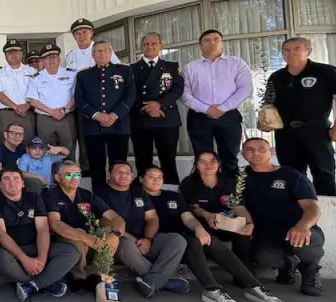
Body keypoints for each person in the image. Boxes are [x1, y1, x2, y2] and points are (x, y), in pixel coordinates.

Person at [143, 165, 286, 302]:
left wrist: (199, 229)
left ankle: (254, 286)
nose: (156, 180)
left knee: (211, 241)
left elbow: (187, 218)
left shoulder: (172, 196)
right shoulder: (138, 195)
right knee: (192, 243)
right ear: (141, 178)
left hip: (184, 234)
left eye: (159, 177)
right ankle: (212, 289)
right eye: (151, 177)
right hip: (163, 240)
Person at [241, 138, 326, 296]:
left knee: (306, 242)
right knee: (264, 259)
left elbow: (312, 207)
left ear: (271, 152)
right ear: (242, 153)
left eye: (261, 149)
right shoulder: (240, 177)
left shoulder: (291, 175)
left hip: (297, 229)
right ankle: (288, 265)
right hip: (266, 234)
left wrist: (303, 226)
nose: (256, 153)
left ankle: (310, 272)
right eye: (250, 149)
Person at [266, 36, 336, 196]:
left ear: (308, 51)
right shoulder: (276, 77)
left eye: (297, 49)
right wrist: (265, 122)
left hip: (316, 131)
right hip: (286, 133)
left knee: (323, 173)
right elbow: (269, 105)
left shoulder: (326, 71)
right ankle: (296, 210)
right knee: (291, 174)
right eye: (286, 50)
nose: (291, 53)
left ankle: (327, 211)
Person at [94, 161, 189, 298]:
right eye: (119, 172)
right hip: (120, 242)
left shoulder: (138, 192)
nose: (123, 175)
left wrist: (147, 239)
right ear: (109, 174)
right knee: (126, 245)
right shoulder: (100, 193)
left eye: (127, 173)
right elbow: (106, 224)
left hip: (144, 240)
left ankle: (152, 281)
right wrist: (135, 240)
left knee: (177, 240)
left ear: (132, 176)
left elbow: (152, 218)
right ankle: (163, 281)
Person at [0, 167, 79, 302]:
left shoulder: (34, 198)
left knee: (70, 251)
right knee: (1, 259)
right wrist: (25, 260)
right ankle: (45, 282)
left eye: (16, 179)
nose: (12, 182)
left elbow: (42, 229)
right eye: (6, 179)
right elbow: (1, 235)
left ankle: (33, 285)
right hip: (9, 250)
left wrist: (41, 259)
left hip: (34, 245)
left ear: (23, 183)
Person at [45, 160, 125, 291]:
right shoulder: (50, 194)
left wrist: (115, 234)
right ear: (57, 178)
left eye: (77, 175)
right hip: (61, 239)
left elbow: (115, 217)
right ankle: (78, 277)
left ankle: (96, 275)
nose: (75, 178)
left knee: (107, 235)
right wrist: (86, 237)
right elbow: (56, 224)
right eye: (69, 175)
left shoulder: (86, 194)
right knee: (79, 235)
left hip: (87, 235)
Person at [181, 29, 252, 176]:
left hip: (229, 116)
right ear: (200, 46)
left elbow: (245, 89)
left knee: (230, 158)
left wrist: (223, 108)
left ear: (222, 43)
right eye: (207, 40)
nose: (212, 43)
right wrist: (206, 109)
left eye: (216, 39)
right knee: (202, 159)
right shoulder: (190, 67)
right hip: (199, 117)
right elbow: (184, 94)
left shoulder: (237, 63)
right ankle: (204, 194)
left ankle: (230, 195)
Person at [63, 18, 121, 176]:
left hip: (97, 106)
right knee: (76, 140)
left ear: (91, 33)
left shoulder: (103, 51)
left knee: (92, 144)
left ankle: (94, 174)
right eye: (77, 33)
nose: (81, 36)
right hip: (75, 105)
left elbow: (115, 76)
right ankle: (78, 173)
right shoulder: (70, 56)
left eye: (85, 32)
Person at [74, 39, 135, 183]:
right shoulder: (83, 75)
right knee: (96, 166)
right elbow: (79, 99)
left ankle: (119, 197)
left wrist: (114, 115)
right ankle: (99, 199)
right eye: (97, 51)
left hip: (119, 125)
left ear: (111, 53)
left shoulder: (124, 70)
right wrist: (97, 115)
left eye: (105, 50)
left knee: (119, 165)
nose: (101, 54)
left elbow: (130, 95)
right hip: (93, 127)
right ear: (93, 55)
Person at [179, 151, 254, 266]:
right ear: (196, 165)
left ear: (219, 163)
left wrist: (248, 222)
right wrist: (206, 214)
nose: (208, 165)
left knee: (243, 233)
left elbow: (238, 206)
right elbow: (193, 207)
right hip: (202, 224)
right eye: (202, 162)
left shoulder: (230, 182)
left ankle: (246, 275)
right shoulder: (188, 184)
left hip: (226, 222)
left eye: (212, 161)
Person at [129, 33, 183, 185]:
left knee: (168, 160)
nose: (150, 46)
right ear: (142, 47)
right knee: (142, 160)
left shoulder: (171, 67)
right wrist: (148, 107)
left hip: (166, 119)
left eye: (154, 43)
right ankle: (144, 198)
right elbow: (129, 93)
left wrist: (159, 104)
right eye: (146, 44)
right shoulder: (132, 69)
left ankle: (171, 196)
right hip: (141, 120)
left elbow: (177, 89)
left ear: (161, 46)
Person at [26, 43, 77, 157]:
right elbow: (33, 100)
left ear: (59, 58)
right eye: (47, 58)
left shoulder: (71, 73)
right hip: (45, 119)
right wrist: (51, 112)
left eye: (53, 57)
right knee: (46, 149)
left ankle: (69, 173)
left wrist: (65, 110)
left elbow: (76, 96)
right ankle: (50, 174)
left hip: (66, 116)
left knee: (68, 147)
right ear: (42, 61)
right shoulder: (36, 78)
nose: (51, 60)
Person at [0, 39, 35, 140]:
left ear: (21, 53)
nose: (13, 55)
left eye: (16, 52)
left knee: (27, 142)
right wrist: (15, 107)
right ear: (5, 56)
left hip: (27, 112)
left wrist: (27, 105)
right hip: (7, 113)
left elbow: (36, 92)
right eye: (10, 53)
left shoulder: (32, 71)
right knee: (6, 143)